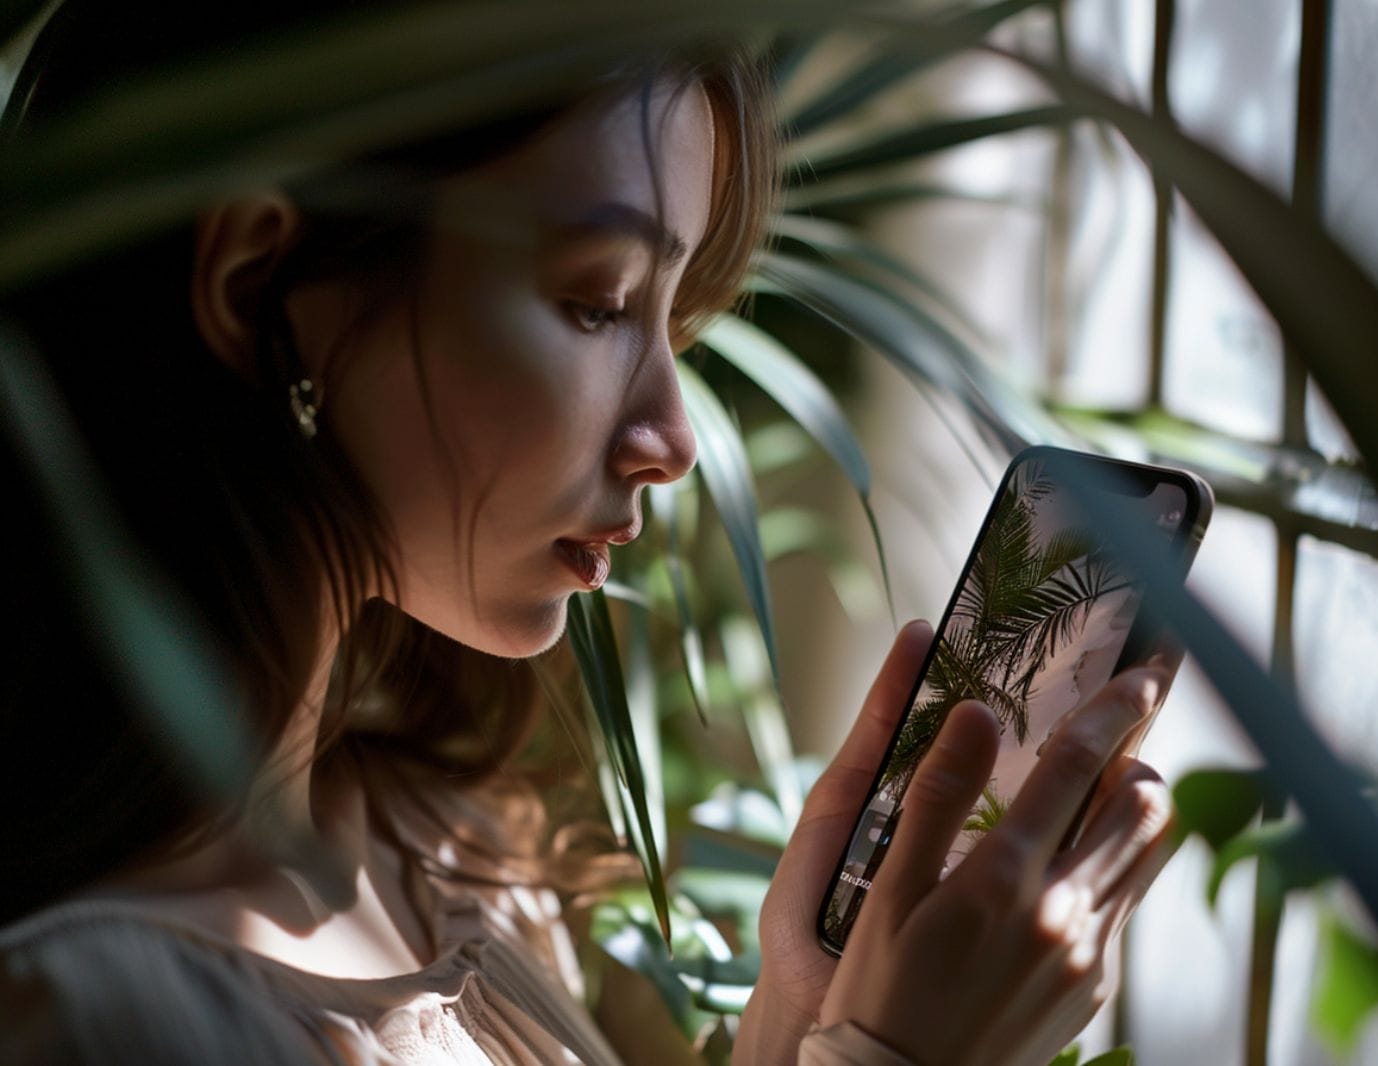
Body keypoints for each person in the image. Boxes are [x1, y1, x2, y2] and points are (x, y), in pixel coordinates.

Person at [0, 3, 1179, 1063]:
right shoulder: (85, 1013)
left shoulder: (443, 844)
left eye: (676, 323)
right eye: (597, 302)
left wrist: (806, 1014)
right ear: (260, 284)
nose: (674, 434)